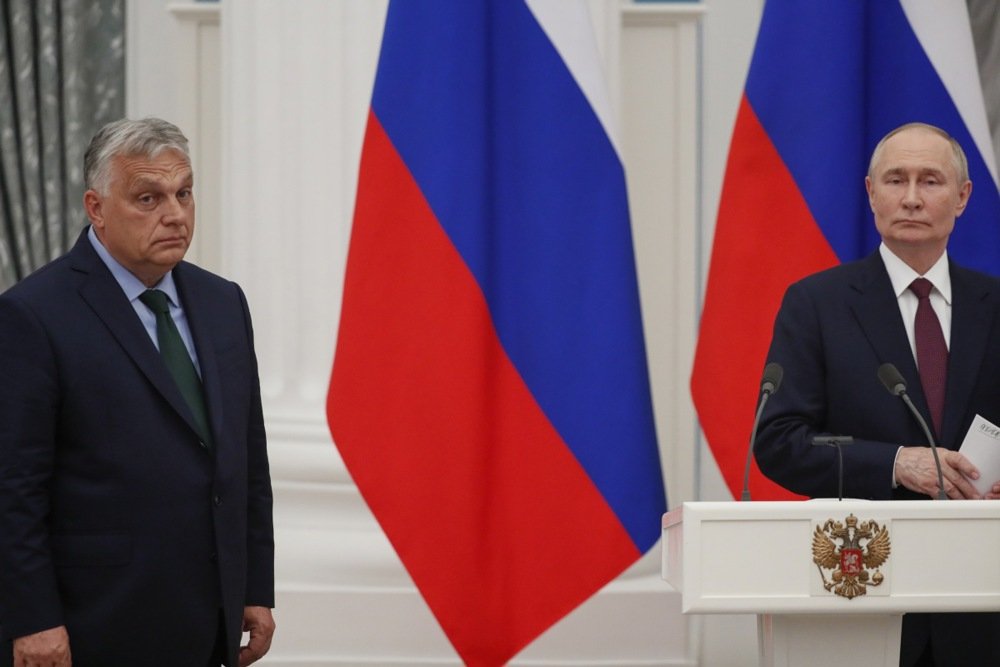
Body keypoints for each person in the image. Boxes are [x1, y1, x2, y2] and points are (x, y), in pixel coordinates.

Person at [0, 118, 275, 666]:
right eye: (148, 198)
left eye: (184, 193)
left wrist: (254, 586)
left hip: (207, 620)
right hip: (91, 625)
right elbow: (13, 487)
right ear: (96, 208)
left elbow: (247, 460)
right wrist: (31, 618)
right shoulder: (32, 315)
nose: (174, 214)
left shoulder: (224, 302)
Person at [755, 122, 1000, 665]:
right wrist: (896, 464)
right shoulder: (816, 304)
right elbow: (778, 441)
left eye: (930, 180)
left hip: (985, 598)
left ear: (962, 197)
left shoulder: (995, 304)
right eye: (895, 180)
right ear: (871, 193)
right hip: (863, 592)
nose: (911, 197)